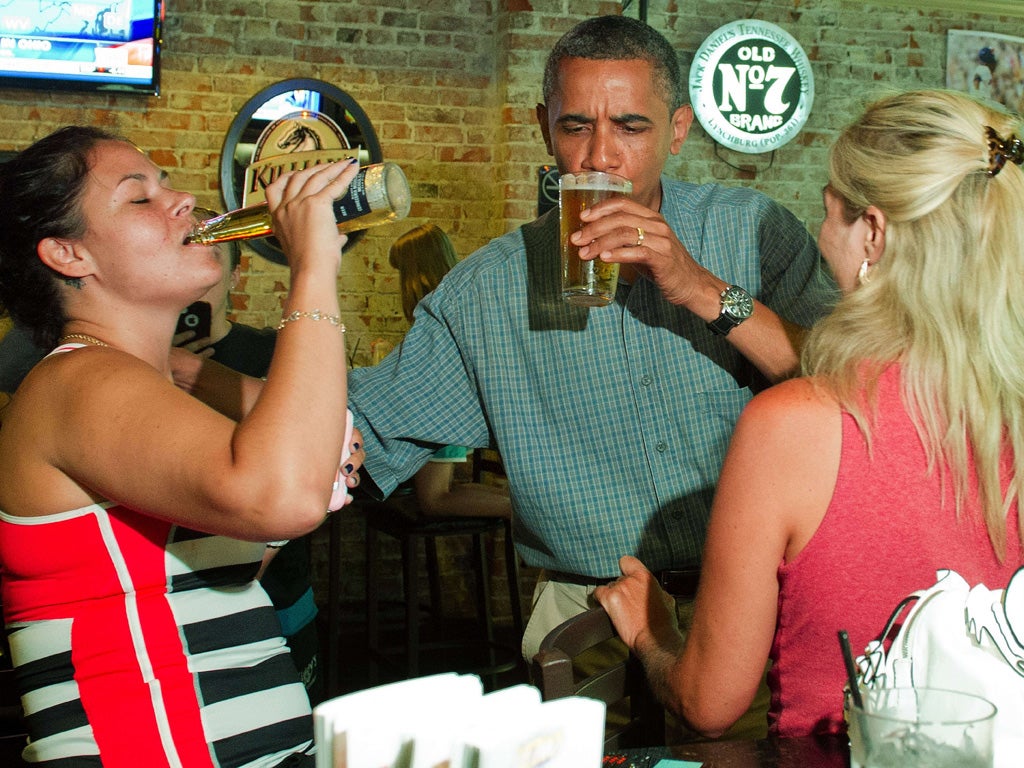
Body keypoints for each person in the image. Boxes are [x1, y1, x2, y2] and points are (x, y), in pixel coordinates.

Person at [344, 13, 834, 673]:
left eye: (630, 127)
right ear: (544, 127)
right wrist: (194, 381)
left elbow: (844, 386)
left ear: (678, 129)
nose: (601, 156)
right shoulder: (486, 290)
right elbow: (357, 436)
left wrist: (699, 288)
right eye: (577, 126)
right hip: (586, 613)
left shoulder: (751, 230)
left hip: (759, 601)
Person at [594, 88, 1024, 738]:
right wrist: (695, 287)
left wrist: (652, 631)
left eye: (827, 208)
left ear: (872, 232)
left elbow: (709, 703)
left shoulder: (792, 425)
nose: (819, 231)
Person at [0, 126, 362, 766]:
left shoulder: (149, 383)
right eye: (139, 197)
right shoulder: (76, 383)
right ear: (68, 254)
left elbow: (203, 585)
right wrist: (312, 267)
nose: (183, 201)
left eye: (168, 184)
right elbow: (282, 495)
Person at [386, 222, 512, 520]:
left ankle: (531, 517)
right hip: (450, 410)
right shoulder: (458, 301)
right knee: (439, 493)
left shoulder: (433, 314)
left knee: (435, 499)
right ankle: (526, 510)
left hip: (440, 413)